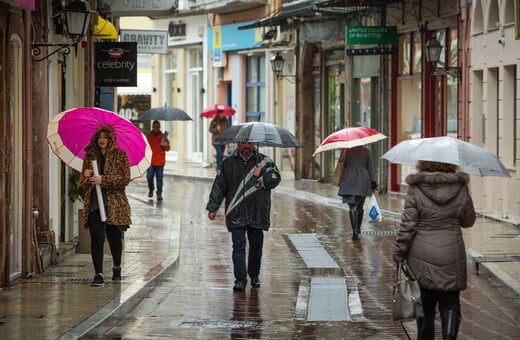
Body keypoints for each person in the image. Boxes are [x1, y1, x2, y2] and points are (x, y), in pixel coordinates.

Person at [393, 161, 476, 340]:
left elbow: (408, 226)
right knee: (451, 303)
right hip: (452, 255)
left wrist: (399, 254)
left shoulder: (416, 188)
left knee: (425, 306)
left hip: (421, 256)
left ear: (424, 164)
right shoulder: (461, 187)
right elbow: (468, 221)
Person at [206, 141, 281, 291]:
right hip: (236, 210)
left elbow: (275, 179)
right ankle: (240, 279)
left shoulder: (264, 162)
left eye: (249, 143)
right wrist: (213, 207)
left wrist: (263, 176)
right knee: (238, 246)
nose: (246, 146)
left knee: (256, 246)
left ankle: (254, 275)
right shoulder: (229, 164)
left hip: (257, 211)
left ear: (253, 144)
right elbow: (219, 185)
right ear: (238, 144)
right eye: (243, 143)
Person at [78, 125, 132, 287]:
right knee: (97, 237)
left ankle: (116, 267)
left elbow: (124, 179)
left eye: (105, 137)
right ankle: (98, 274)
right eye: (100, 137)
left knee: (114, 237)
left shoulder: (120, 155)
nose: (102, 140)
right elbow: (81, 182)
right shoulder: (90, 155)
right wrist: (86, 176)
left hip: (113, 203)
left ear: (111, 139)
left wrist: (103, 180)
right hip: (95, 202)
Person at [337, 145, 377, 240]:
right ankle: (358, 229)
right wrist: (373, 184)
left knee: (352, 207)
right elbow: (370, 168)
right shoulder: (366, 152)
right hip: (363, 180)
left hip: (349, 179)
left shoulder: (346, 151)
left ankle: (354, 230)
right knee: (360, 206)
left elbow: (341, 166)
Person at [146, 120, 170, 201]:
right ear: (152, 127)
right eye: (155, 127)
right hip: (151, 162)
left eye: (157, 127)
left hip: (160, 162)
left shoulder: (163, 137)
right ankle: (151, 189)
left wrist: (165, 145)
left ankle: (159, 193)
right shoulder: (148, 136)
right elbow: (145, 148)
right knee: (149, 177)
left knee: (159, 179)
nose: (156, 128)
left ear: (159, 127)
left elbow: (168, 149)